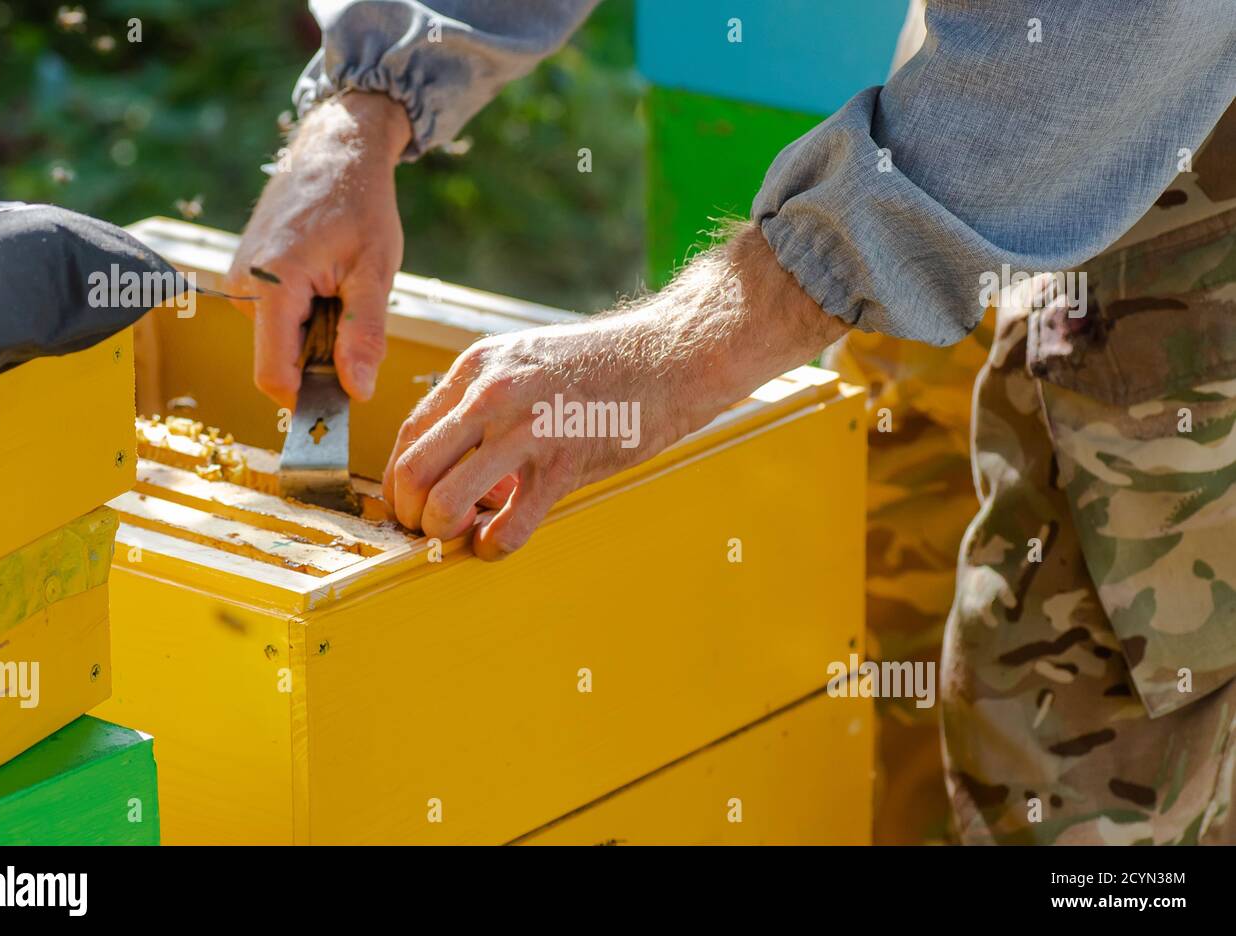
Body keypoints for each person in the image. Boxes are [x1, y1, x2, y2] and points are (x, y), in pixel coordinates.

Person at [227, 0, 1236, 844]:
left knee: (1086, 736)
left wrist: (689, 346)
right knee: (867, 582)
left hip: (1177, 95)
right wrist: (370, 97)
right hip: (993, 71)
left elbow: (1121, 33)